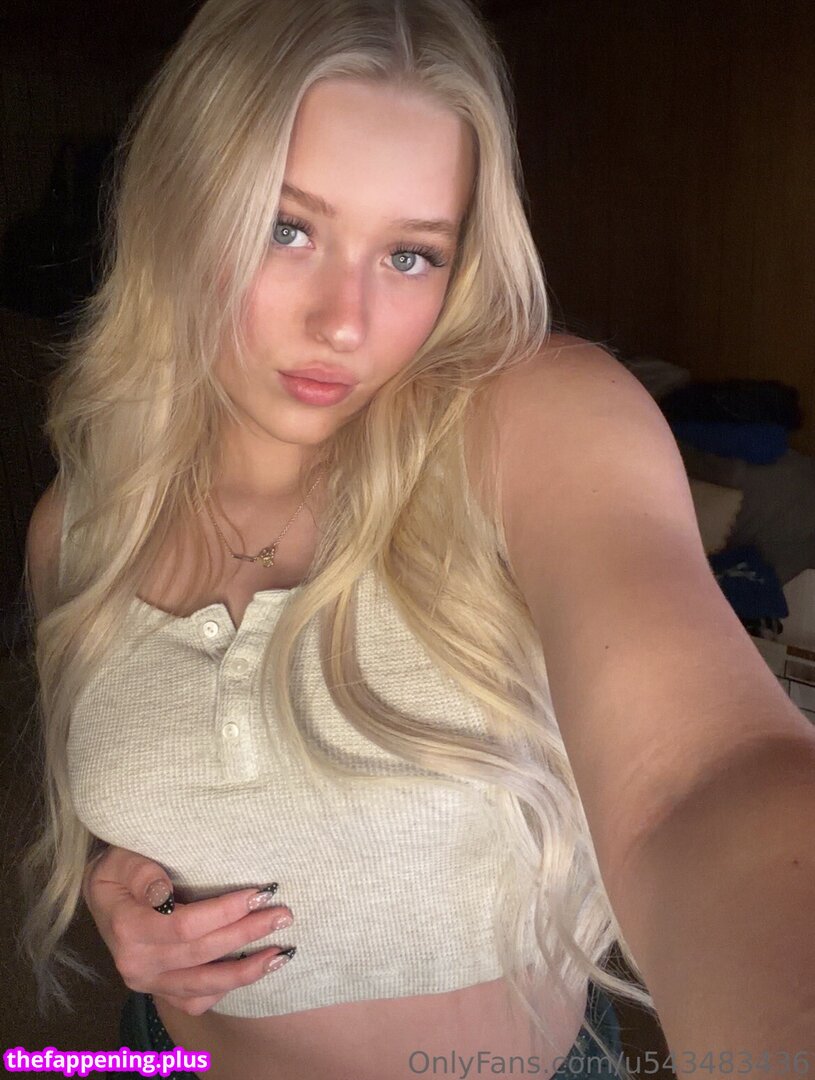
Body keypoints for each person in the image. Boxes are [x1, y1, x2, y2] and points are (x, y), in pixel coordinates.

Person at [20, 1, 815, 1079]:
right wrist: (130, 894)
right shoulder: (80, 528)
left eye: (409, 254)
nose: (343, 321)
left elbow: (699, 775)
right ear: (179, 211)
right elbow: (145, 806)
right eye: (285, 228)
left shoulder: (532, 425)